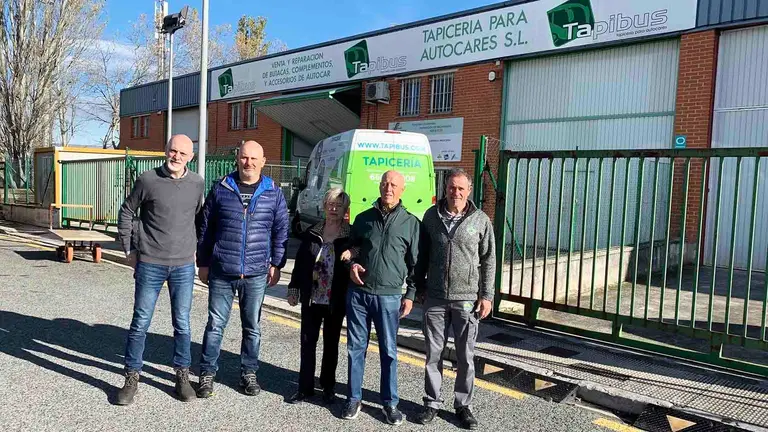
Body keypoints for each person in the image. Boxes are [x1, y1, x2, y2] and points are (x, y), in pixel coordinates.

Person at [115, 134, 205, 405]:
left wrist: (197, 250)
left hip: (183, 266)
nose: (176, 156)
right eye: (172, 150)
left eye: (182, 153)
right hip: (150, 263)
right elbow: (127, 211)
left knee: (183, 324)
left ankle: (182, 377)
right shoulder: (147, 179)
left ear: (191, 157)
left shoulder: (197, 183)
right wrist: (129, 249)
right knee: (140, 322)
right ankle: (131, 378)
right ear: (165, 150)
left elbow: (200, 219)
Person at [195, 140, 289, 398]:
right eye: (244, 158)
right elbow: (205, 228)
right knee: (215, 325)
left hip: (257, 272)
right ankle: (206, 374)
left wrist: (276, 263)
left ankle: (248, 374)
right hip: (222, 270)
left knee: (252, 327)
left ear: (263, 161)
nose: (248, 163)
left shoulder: (274, 192)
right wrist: (202, 263)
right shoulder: (222, 188)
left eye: (254, 159)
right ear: (238, 159)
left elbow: (281, 230)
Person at [413, 168, 495, 430]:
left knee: (465, 356)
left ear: (469, 191)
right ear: (445, 188)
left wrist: (487, 295)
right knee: (432, 354)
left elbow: (489, 260)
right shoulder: (431, 216)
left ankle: (463, 406)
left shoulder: (480, 220)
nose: (455, 192)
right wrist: (419, 287)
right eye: (451, 187)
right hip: (435, 297)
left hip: (467, 300)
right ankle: (431, 403)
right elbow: (421, 255)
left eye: (461, 188)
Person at [341, 170, 422, 425]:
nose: (389, 188)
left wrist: (410, 294)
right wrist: (351, 265)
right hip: (359, 295)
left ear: (402, 191)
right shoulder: (364, 219)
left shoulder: (410, 223)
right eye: (385, 183)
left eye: (394, 185)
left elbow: (415, 265)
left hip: (389, 298)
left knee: (389, 351)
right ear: (379, 186)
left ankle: (390, 403)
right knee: (355, 349)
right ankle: (353, 398)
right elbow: (349, 251)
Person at [285, 188, 352, 405]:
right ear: (324, 206)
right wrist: (293, 288)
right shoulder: (312, 231)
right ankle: (305, 388)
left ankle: (328, 387)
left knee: (331, 344)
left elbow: (359, 258)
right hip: (312, 297)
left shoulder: (350, 235)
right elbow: (301, 263)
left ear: (345, 211)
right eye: (330, 204)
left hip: (335, 299)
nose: (333, 209)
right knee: (307, 342)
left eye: (338, 206)